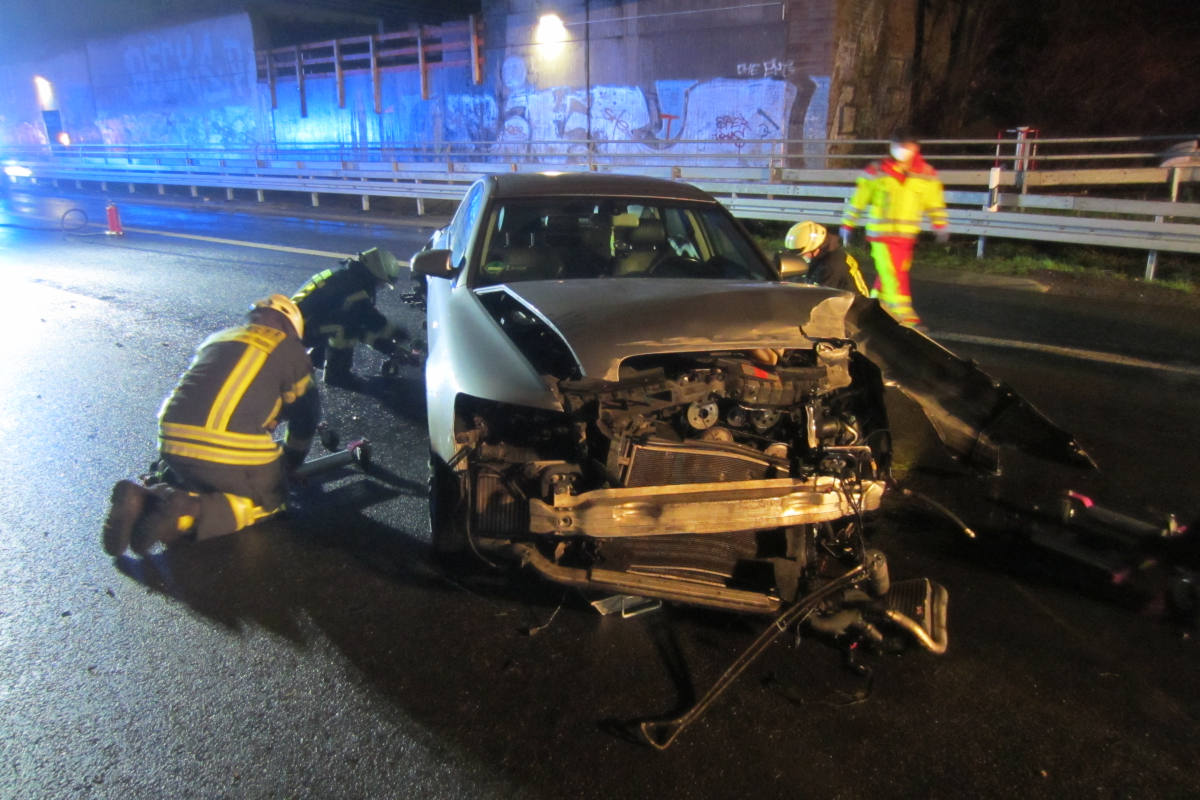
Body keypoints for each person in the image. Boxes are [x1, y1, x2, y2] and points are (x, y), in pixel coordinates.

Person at [102, 295, 320, 556]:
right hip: (223, 443)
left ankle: (144, 499)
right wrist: (290, 463)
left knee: (199, 476)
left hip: (170, 437)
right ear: (292, 330)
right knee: (271, 498)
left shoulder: (219, 339)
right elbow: (305, 416)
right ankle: (188, 514)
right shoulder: (291, 351)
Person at [840, 128, 948, 327]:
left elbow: (934, 202)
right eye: (898, 146)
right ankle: (905, 318)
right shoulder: (877, 171)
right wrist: (848, 222)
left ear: (916, 147)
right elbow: (859, 199)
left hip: (906, 238)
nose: (902, 150)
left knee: (890, 275)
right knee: (893, 277)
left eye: (906, 146)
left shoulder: (926, 174)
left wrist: (939, 224)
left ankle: (872, 308)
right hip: (881, 237)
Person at [292, 247, 409, 388]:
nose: (380, 287)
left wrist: (390, 348)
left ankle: (318, 357)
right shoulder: (352, 286)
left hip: (301, 322)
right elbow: (369, 319)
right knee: (346, 329)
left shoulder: (348, 275)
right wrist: (397, 333)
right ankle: (337, 375)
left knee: (348, 322)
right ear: (374, 274)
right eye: (381, 283)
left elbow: (361, 322)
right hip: (298, 329)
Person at [780, 220, 869, 295]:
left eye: (804, 253)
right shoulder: (822, 256)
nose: (801, 257)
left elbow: (819, 299)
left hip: (853, 311)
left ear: (816, 248)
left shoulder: (832, 266)